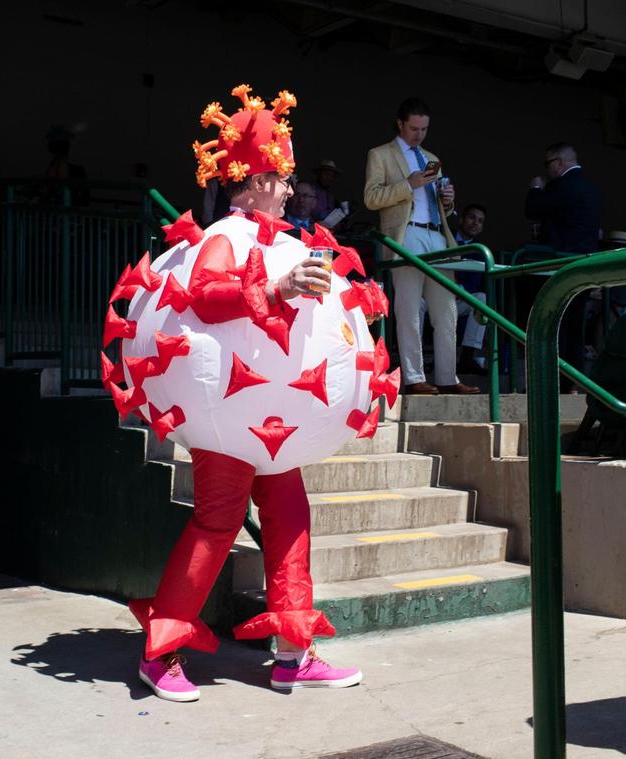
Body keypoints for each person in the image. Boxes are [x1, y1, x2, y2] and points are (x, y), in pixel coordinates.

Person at [122, 85, 363, 703]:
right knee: (218, 522)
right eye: (281, 177)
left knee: (290, 521)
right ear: (253, 179)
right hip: (228, 422)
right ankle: (162, 652)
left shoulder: (285, 242)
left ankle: (292, 653)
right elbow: (205, 293)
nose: (290, 189)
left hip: (275, 427)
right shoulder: (223, 234)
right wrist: (277, 290)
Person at [364, 97, 478, 395]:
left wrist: (448, 200)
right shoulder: (381, 154)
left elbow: (444, 209)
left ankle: (447, 377)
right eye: (414, 128)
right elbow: (371, 198)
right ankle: (414, 377)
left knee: (447, 310)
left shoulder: (431, 156)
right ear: (400, 123)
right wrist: (409, 184)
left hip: (437, 233)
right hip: (406, 233)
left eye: (424, 129)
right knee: (410, 308)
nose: (419, 134)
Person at [524, 142, 602, 389]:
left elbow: (533, 209)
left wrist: (536, 189)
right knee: (575, 326)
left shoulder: (561, 186)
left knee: (553, 324)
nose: (547, 170)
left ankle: (552, 382)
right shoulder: (592, 189)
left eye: (548, 164)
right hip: (584, 264)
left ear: (558, 162)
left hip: (560, 264)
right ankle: (574, 382)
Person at [451, 204, 490, 374]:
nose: (476, 223)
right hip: (435, 296)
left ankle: (467, 357)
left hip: (459, 299)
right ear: (461, 219)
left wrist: (459, 290)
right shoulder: (446, 239)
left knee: (481, 299)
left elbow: (474, 284)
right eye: (472, 217)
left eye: (480, 221)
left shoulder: (481, 251)